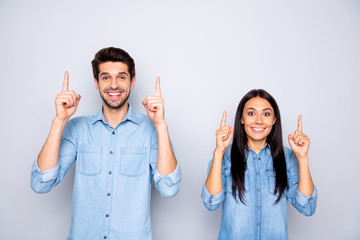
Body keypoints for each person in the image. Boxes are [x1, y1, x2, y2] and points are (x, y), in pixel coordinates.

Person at [31, 47, 182, 240]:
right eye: (105, 77)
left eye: (121, 77)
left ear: (132, 81)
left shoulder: (150, 130)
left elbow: (169, 189)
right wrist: (59, 122)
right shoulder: (78, 128)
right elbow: (40, 183)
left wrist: (160, 125)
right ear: (96, 83)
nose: (113, 85)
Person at [201, 89, 317, 240]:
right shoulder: (225, 155)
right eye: (251, 113)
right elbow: (211, 202)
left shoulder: (287, 157)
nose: (259, 120)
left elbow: (307, 207)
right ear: (241, 118)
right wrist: (219, 151)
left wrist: (302, 158)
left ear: (274, 119)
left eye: (266, 114)